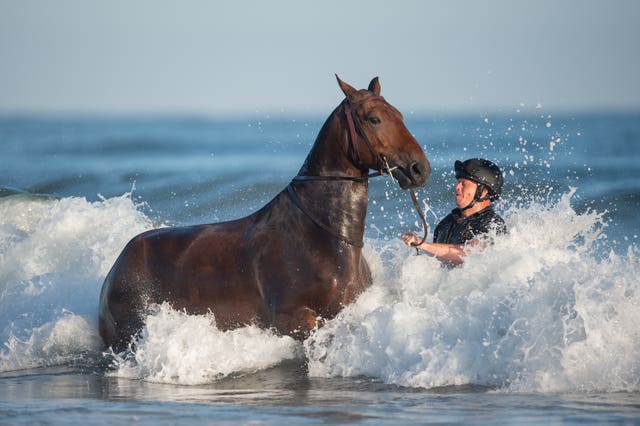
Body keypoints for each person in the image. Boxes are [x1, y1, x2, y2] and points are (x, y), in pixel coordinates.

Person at [401, 158, 507, 267]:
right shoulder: (446, 224)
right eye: (458, 182)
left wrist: (423, 245)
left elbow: (470, 253)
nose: (457, 187)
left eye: (463, 184)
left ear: (483, 192)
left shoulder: (493, 224)